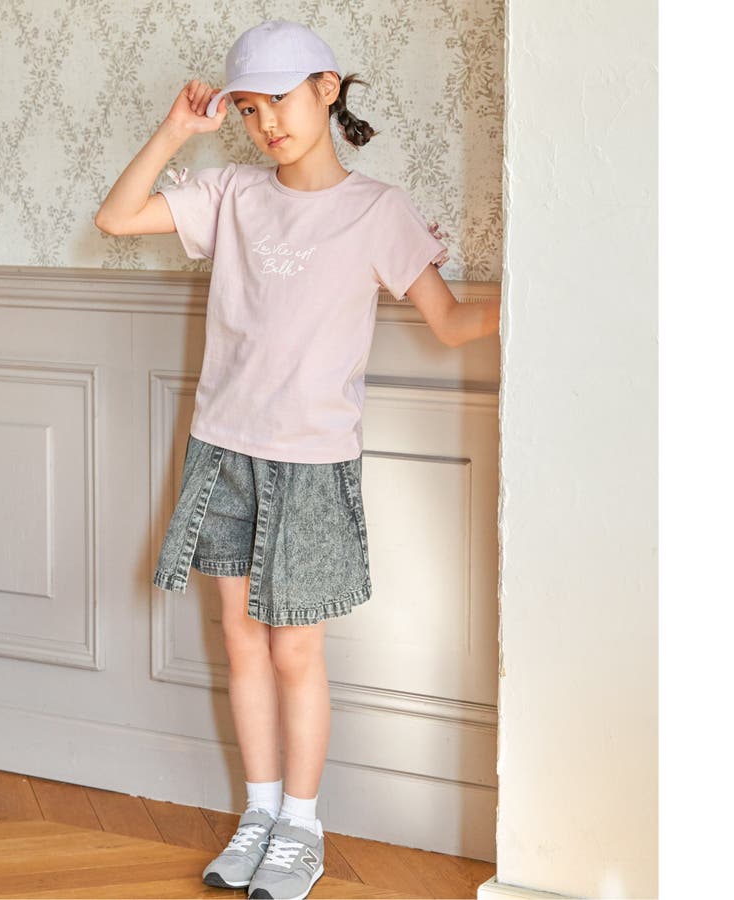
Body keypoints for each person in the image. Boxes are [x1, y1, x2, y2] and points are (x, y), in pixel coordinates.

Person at [95, 18, 500, 900]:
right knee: (241, 643)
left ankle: (302, 830)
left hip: (313, 463)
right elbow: (117, 218)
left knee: (294, 653)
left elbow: (451, 322)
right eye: (247, 108)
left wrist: (545, 297)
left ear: (326, 89)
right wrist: (177, 131)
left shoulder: (378, 211)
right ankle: (259, 813)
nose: (264, 122)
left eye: (277, 99)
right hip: (223, 452)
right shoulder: (233, 194)